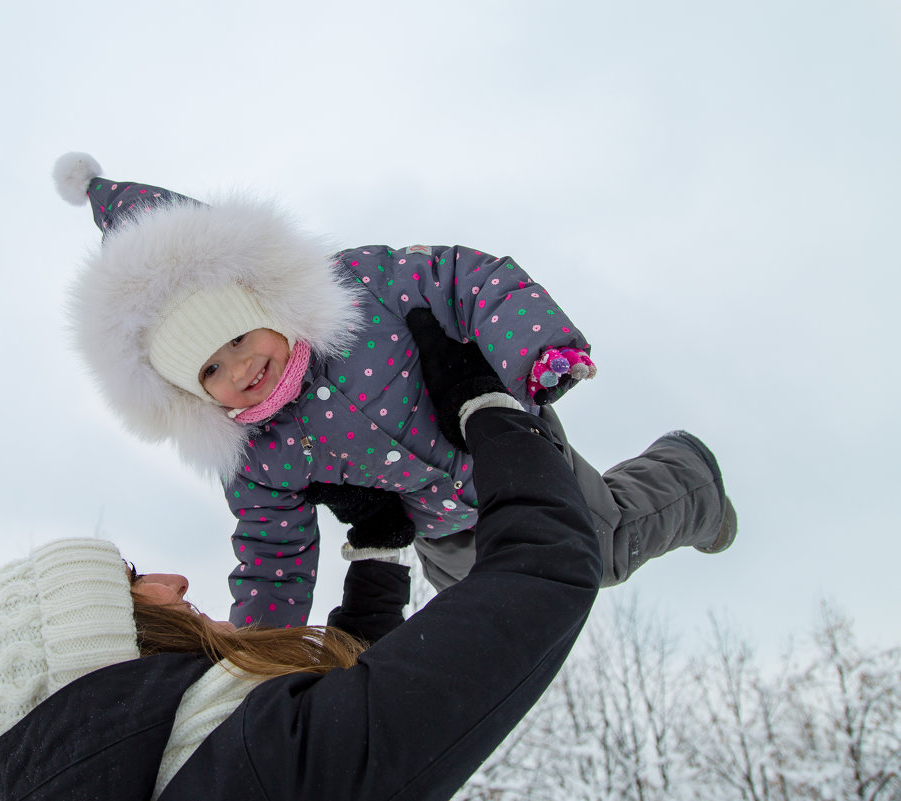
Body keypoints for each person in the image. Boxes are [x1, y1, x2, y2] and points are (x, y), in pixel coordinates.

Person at [0, 329, 603, 801]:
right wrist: (487, 408)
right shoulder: (254, 778)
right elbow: (543, 576)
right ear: (90, 668)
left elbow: (342, 722)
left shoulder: (190, 773)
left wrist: (376, 553)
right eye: (131, 588)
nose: (172, 582)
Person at [55, 152, 737, 629]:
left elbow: (468, 280)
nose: (237, 369)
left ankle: (691, 477)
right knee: (499, 606)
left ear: (263, 304)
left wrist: (533, 350)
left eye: (237, 338)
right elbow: (272, 555)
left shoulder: (361, 289)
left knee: (598, 551)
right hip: (440, 529)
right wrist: (265, 652)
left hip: (503, 442)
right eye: (209, 370)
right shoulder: (256, 457)